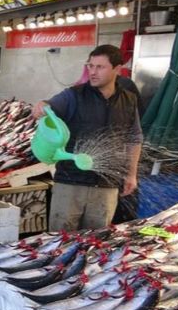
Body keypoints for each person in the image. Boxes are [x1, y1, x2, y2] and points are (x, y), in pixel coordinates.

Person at [32, 44, 142, 231]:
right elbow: (48, 106)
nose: (93, 72)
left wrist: (131, 174)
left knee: (95, 239)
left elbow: (134, 138)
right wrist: (42, 105)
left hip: (107, 184)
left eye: (100, 67)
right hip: (70, 183)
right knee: (60, 239)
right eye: (90, 66)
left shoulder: (129, 100)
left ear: (117, 69)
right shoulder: (73, 95)